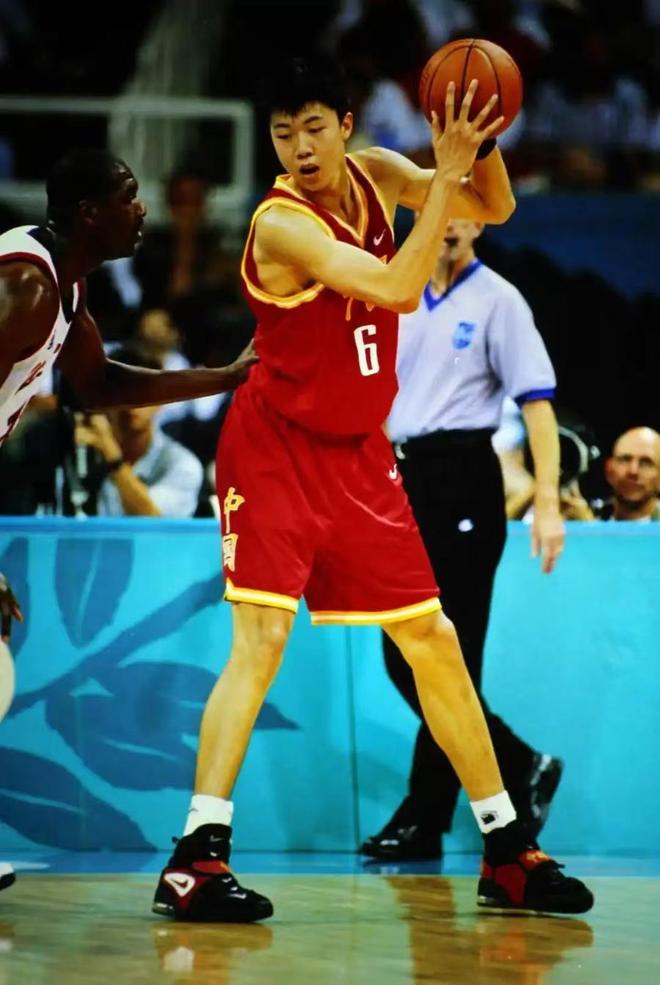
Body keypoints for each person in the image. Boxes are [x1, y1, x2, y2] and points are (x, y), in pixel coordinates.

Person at [153, 55, 593, 923]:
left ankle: (507, 849)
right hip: (276, 448)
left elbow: (492, 209)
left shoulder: (380, 175)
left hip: (358, 451)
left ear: (345, 125)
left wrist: (477, 144)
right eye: (284, 132)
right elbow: (396, 287)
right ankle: (194, 859)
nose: (300, 147)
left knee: (433, 637)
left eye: (314, 127)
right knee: (262, 639)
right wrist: (447, 173)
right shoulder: (281, 223)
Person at [0, 148, 256, 892]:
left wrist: (221, 377)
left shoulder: (66, 286)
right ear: (89, 214)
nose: (142, 209)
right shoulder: (26, 286)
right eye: (129, 195)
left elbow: (97, 384)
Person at [359, 218, 565, 862]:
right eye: (436, 209)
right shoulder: (397, 291)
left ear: (479, 221)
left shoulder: (499, 299)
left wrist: (548, 501)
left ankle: (425, 819)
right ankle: (520, 761)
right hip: (402, 477)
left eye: (461, 212)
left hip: (465, 477)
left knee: (451, 658)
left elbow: (537, 405)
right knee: (405, 655)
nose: (447, 224)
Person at [72, 346, 204, 518]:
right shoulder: (81, 453)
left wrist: (113, 458)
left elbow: (153, 521)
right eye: (124, 393)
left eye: (143, 393)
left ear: (162, 401)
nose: (134, 404)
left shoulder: (182, 464)